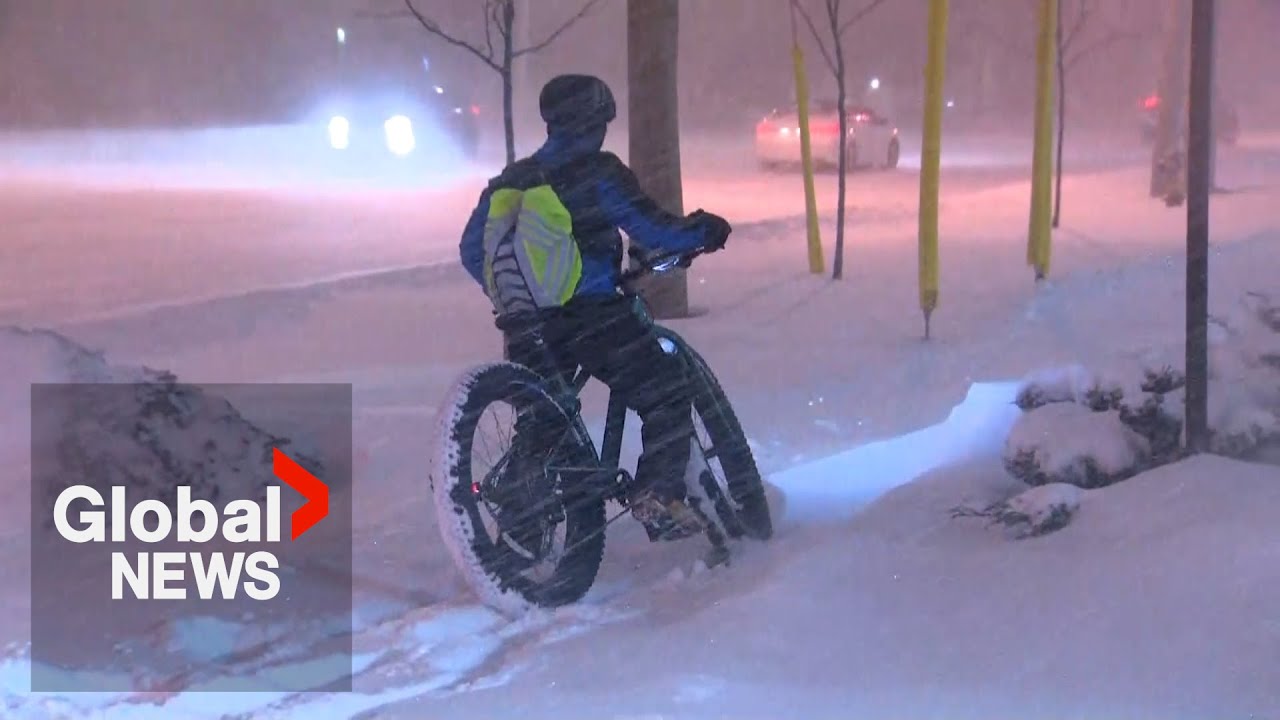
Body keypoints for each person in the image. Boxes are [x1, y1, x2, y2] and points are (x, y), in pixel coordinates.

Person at [458, 74, 731, 541]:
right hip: (597, 316)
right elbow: (653, 229)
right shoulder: (599, 172)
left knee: (544, 419)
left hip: (526, 325)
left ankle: (526, 512)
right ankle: (658, 495)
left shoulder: (510, 183)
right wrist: (703, 231)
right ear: (596, 120)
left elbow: (471, 251)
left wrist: (529, 292)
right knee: (665, 387)